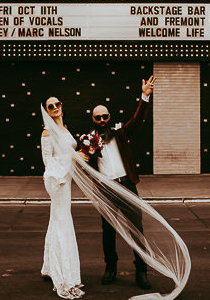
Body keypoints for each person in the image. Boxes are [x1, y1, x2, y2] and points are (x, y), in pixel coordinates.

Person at [84, 75, 156, 290]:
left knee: (136, 228)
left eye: (105, 116)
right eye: (98, 118)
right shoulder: (88, 140)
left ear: (109, 116)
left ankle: (141, 271)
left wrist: (144, 96)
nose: (102, 120)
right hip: (106, 189)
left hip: (127, 185)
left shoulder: (121, 132)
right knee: (108, 230)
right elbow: (82, 163)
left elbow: (138, 120)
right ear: (93, 120)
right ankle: (110, 268)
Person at [40, 96, 85, 299]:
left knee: (57, 221)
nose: (56, 107)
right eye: (51, 106)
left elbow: (69, 152)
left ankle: (49, 267)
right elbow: (48, 161)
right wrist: (75, 157)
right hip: (58, 180)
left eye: (58, 104)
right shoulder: (47, 132)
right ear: (47, 111)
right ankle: (63, 273)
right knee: (62, 222)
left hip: (66, 179)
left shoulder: (64, 129)